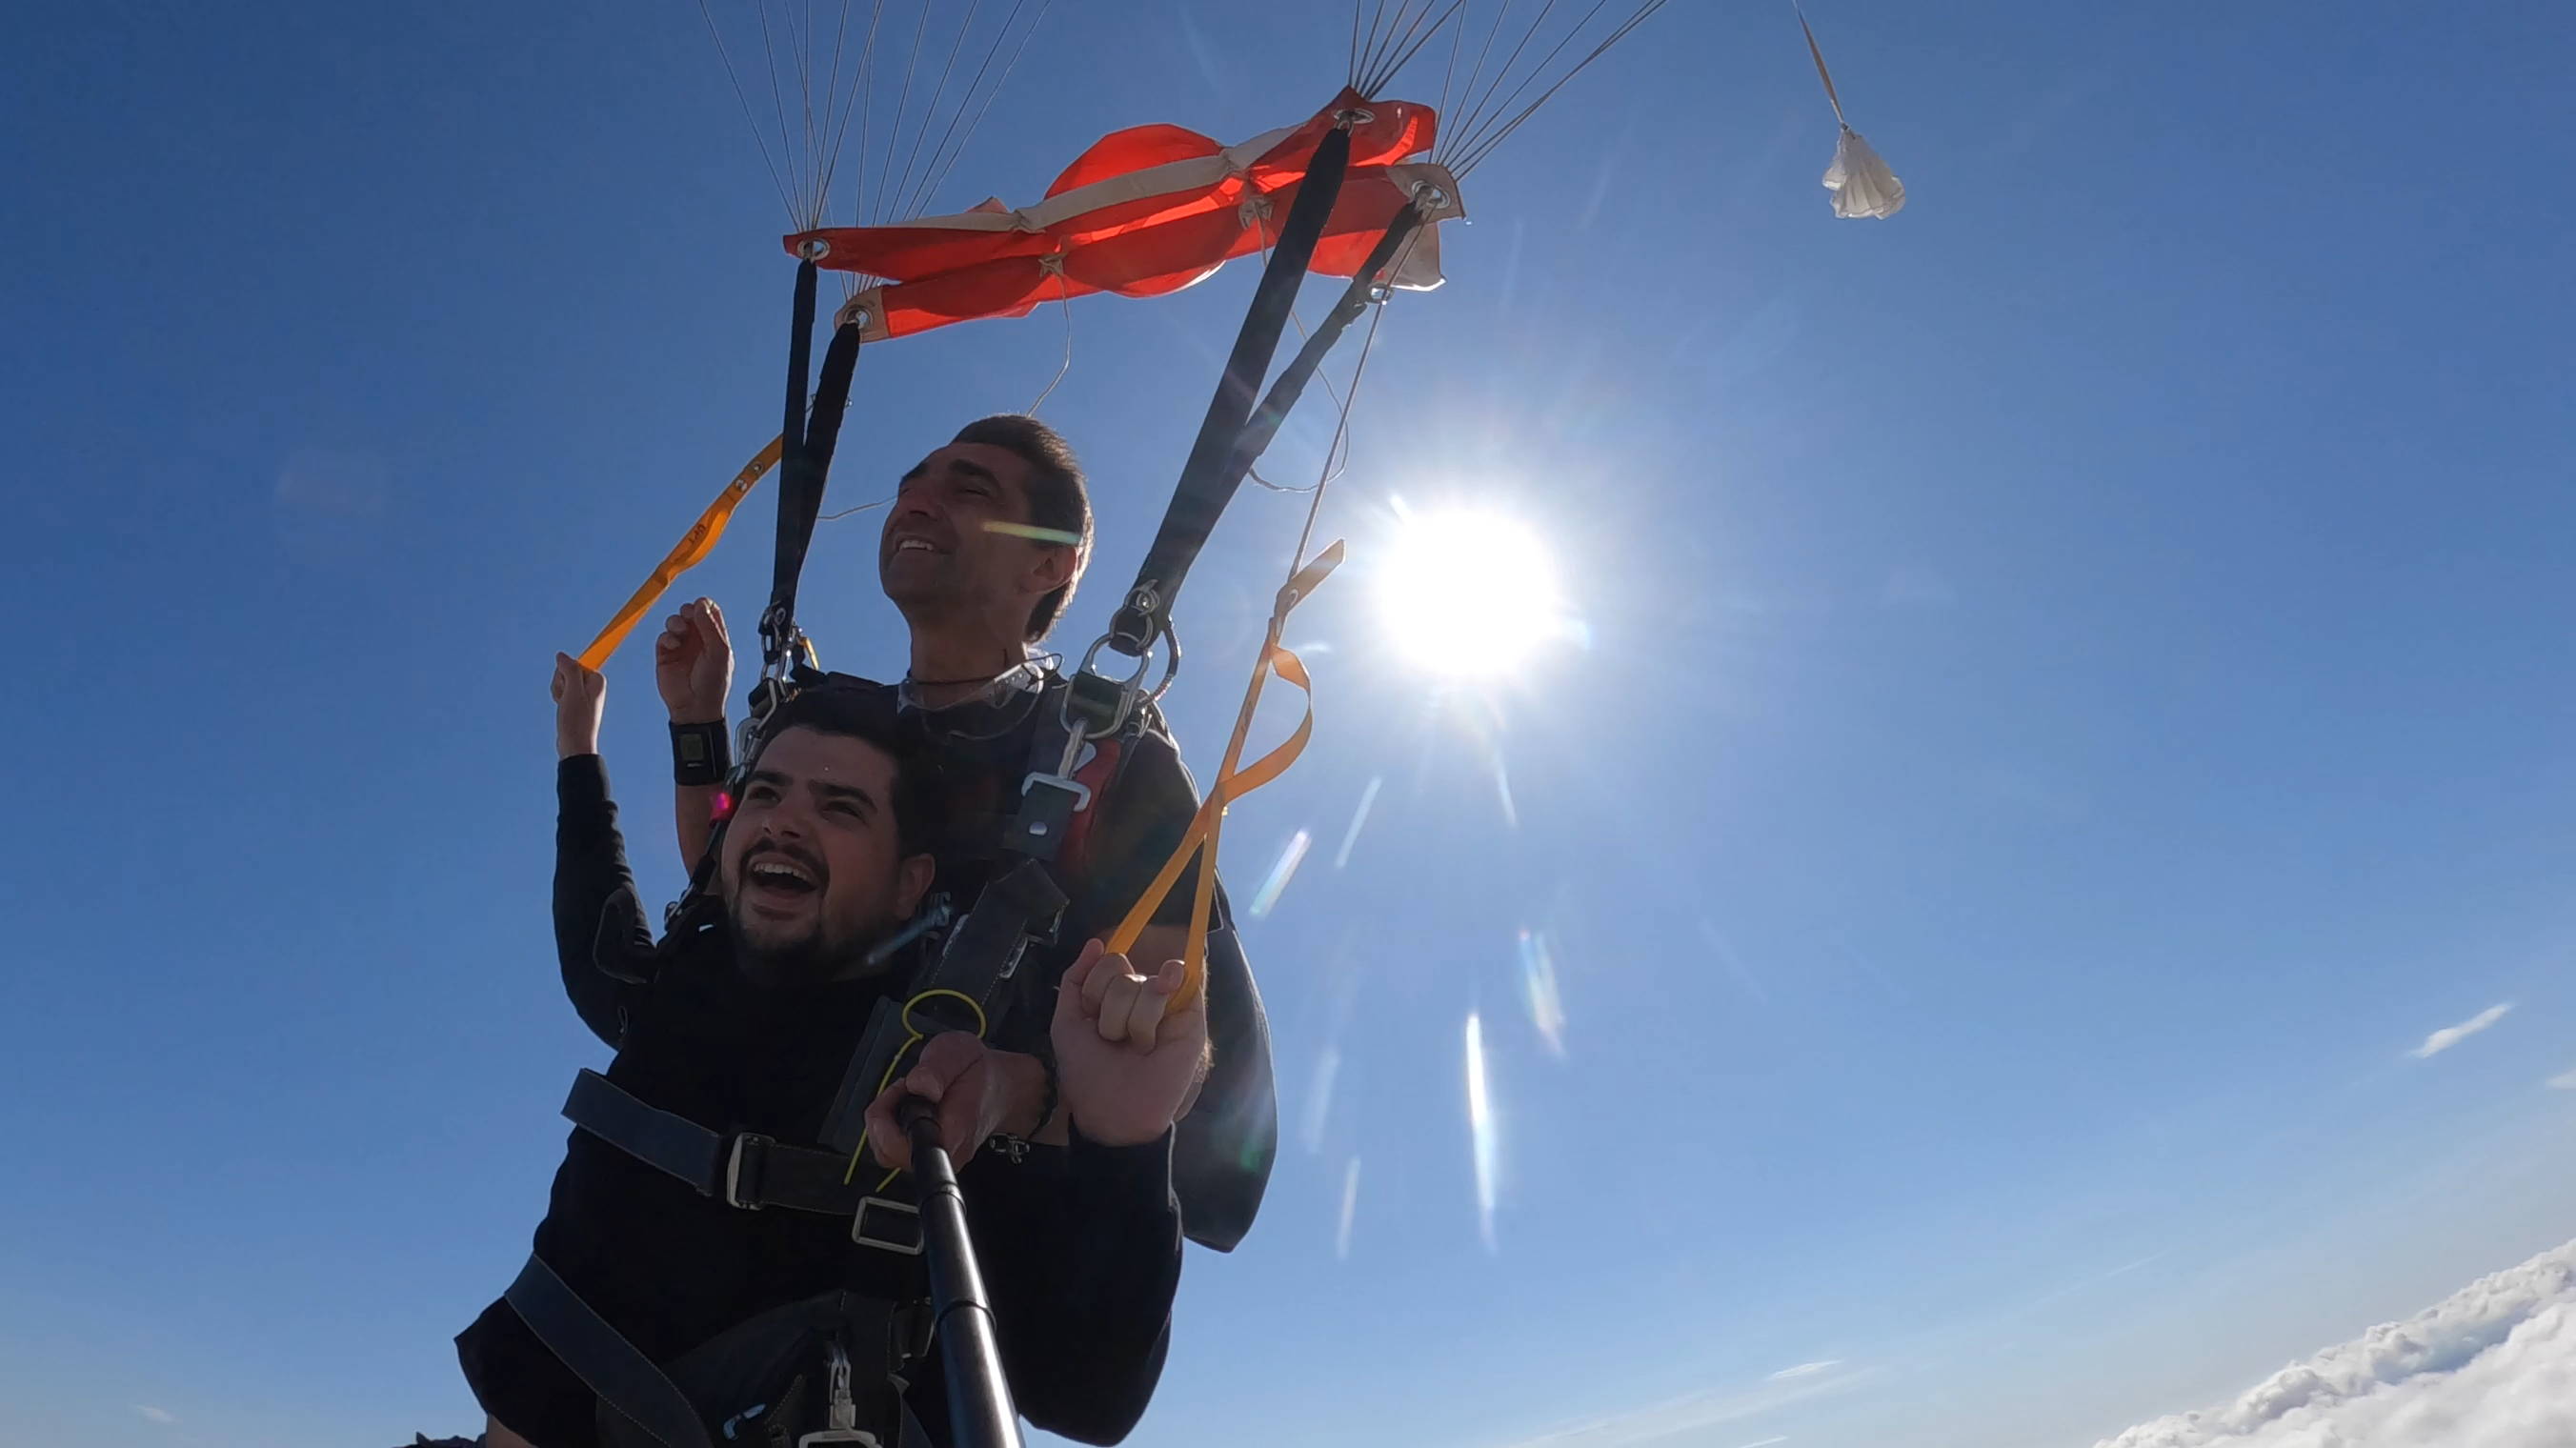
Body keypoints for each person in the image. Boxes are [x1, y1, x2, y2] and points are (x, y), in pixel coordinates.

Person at [455, 658, 1205, 1448]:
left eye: (840, 808)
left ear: (909, 883)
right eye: (765, 794)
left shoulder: (938, 1076)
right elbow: (592, 908)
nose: (781, 822)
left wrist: (1124, 1145)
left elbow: (1088, 1398)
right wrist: (585, 742)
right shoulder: (675, 981)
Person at [653, 415, 1275, 1249]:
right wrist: (695, 726)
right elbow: (728, 890)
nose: (914, 500)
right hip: (726, 1248)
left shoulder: (1111, 768)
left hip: (955, 1282)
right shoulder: (846, 733)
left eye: (966, 488)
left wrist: (1020, 1092)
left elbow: (1209, 1128)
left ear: (1051, 563)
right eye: (911, 485)